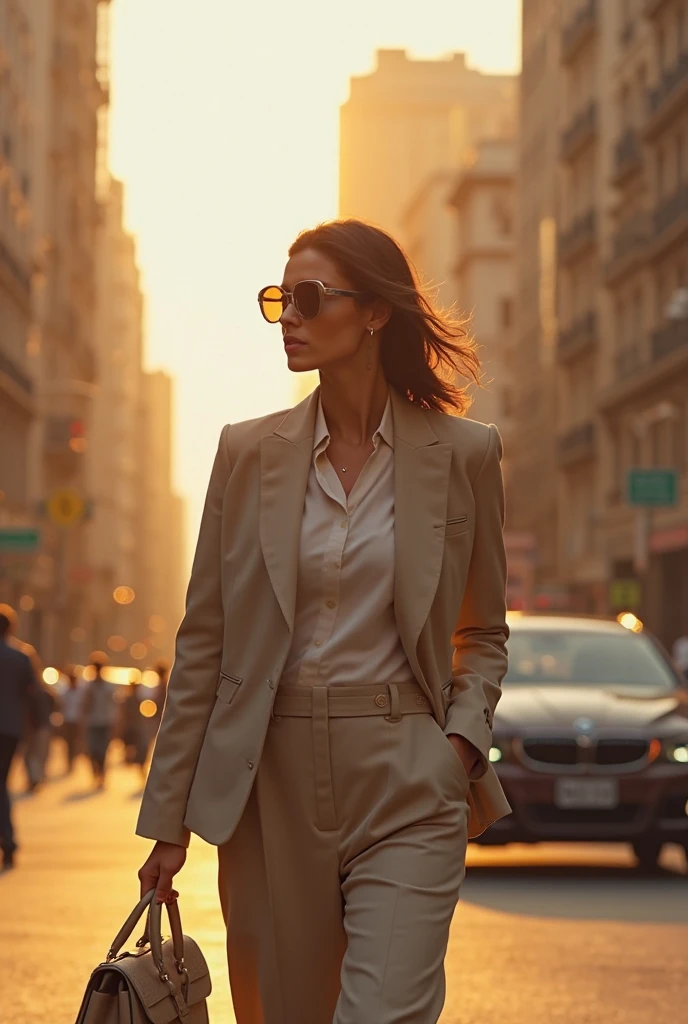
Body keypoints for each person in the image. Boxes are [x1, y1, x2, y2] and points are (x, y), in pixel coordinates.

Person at [137, 219, 511, 1024]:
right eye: (280, 301)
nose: (289, 319)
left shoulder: (466, 454)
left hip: (409, 771)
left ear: (374, 313)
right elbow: (204, 643)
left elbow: (481, 632)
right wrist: (167, 821)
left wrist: (457, 744)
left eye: (308, 299)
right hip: (268, 780)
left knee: (382, 1012)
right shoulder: (245, 454)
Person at [0, 604, 39, 869]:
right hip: (10, 729)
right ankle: (8, 841)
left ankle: (9, 841)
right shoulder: (21, 656)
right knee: (2, 783)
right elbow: (34, 695)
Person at [81, 651, 118, 789]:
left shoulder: (109, 687)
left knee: (102, 751)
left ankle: (101, 775)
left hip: (105, 722)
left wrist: (116, 725)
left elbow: (114, 706)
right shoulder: (89, 687)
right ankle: (95, 774)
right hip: (92, 722)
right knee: (92, 750)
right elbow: (85, 706)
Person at [120, 675, 148, 780]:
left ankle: (141, 769)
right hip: (132, 727)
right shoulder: (129, 699)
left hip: (138, 727)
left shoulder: (140, 699)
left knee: (141, 749)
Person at [60, 666, 84, 773]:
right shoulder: (65, 691)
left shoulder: (80, 692)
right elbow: (61, 706)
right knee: (68, 743)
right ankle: (69, 762)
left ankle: (74, 761)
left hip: (77, 721)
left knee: (76, 742)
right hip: (68, 720)